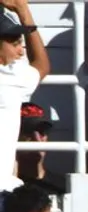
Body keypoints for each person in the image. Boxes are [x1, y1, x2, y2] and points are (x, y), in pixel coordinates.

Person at [0, 0, 49, 193]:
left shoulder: (12, 77)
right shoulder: (11, 78)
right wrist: (24, 11)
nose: (21, 51)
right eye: (14, 43)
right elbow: (42, 65)